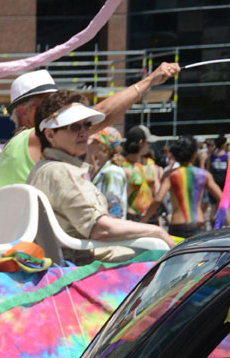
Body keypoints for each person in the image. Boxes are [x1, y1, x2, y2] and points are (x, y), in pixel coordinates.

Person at [28, 91, 173, 263]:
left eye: (87, 124)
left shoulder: (42, 168)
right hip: (90, 266)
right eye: (74, 126)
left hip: (80, 260)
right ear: (50, 135)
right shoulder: (62, 172)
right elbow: (100, 229)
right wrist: (157, 231)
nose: (84, 132)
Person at [0, 62, 181, 188]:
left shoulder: (15, 145)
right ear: (23, 111)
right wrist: (149, 80)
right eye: (45, 103)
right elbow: (103, 114)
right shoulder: (36, 137)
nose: (55, 109)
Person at [144, 135, 223, 239]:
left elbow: (158, 199)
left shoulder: (170, 175)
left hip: (178, 225)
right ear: (195, 154)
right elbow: (223, 199)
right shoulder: (204, 175)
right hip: (198, 224)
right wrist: (221, 223)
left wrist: (144, 220)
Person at [87, 126, 129, 219]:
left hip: (110, 229)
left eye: (94, 141)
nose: (90, 144)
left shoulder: (112, 171)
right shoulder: (104, 169)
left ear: (102, 145)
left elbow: (114, 207)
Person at [123, 124, 161, 221]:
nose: (149, 146)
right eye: (148, 143)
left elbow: (157, 192)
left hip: (152, 217)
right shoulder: (123, 166)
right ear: (141, 143)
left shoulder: (150, 164)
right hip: (133, 218)